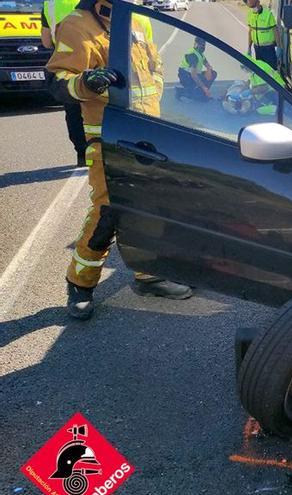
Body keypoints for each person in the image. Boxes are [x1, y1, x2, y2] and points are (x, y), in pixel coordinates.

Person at [46, 0, 192, 320]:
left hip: (147, 134)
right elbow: (57, 82)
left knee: (149, 205)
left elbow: (154, 67)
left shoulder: (132, 20)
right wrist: (87, 82)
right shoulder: (77, 24)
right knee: (108, 211)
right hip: (109, 137)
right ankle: (80, 284)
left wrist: (157, 114)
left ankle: (148, 273)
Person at [41, 0, 87, 167]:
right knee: (96, 107)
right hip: (92, 55)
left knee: (73, 110)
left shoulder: (50, 3)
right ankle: (100, 153)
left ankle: (82, 154)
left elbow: (46, 41)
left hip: (65, 61)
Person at [177, 37, 216, 101]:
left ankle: (201, 93)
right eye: (201, 44)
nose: (203, 46)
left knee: (213, 73)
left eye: (204, 45)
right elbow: (194, 75)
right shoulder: (192, 55)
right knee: (196, 97)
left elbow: (208, 65)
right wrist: (204, 88)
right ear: (196, 44)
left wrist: (209, 70)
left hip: (194, 75)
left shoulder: (200, 54)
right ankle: (181, 92)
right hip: (186, 77)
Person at [246, 0, 277, 69]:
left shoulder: (268, 14)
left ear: (257, 1)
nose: (248, 1)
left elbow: (275, 31)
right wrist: (249, 48)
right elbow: (250, 32)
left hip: (268, 49)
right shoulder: (250, 14)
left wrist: (279, 47)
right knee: (261, 72)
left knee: (271, 71)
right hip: (257, 48)